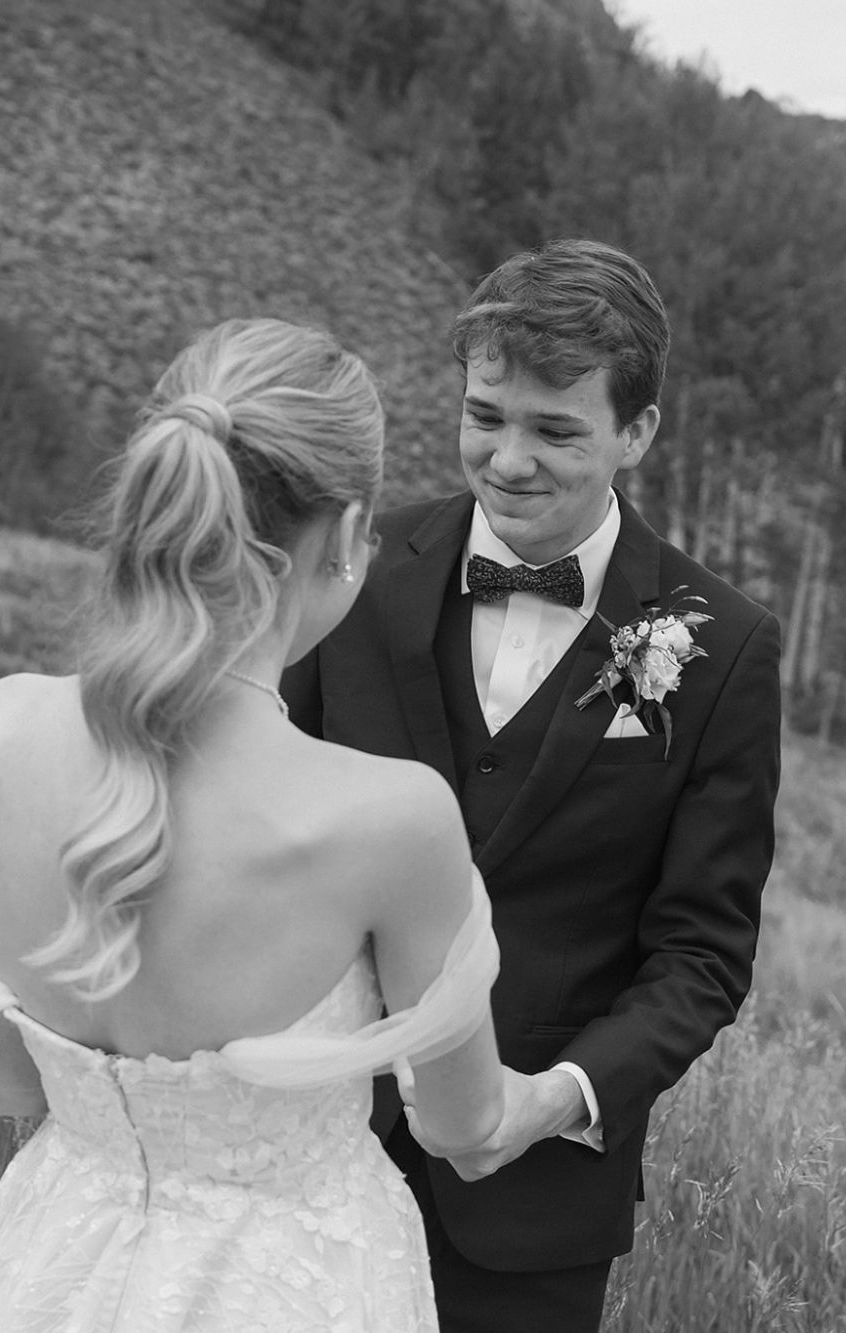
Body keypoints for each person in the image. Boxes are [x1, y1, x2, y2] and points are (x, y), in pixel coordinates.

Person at [0, 317, 505, 1330]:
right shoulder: (389, 819)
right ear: (348, 532)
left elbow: (5, 1088)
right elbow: (460, 1122)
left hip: (45, 1265)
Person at [282, 238, 781, 1332]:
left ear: (636, 431)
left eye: (553, 430)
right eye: (483, 416)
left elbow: (700, 952)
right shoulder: (349, 569)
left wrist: (550, 1103)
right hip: (297, 1159)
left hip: (530, 1216)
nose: (505, 459)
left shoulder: (723, 648)